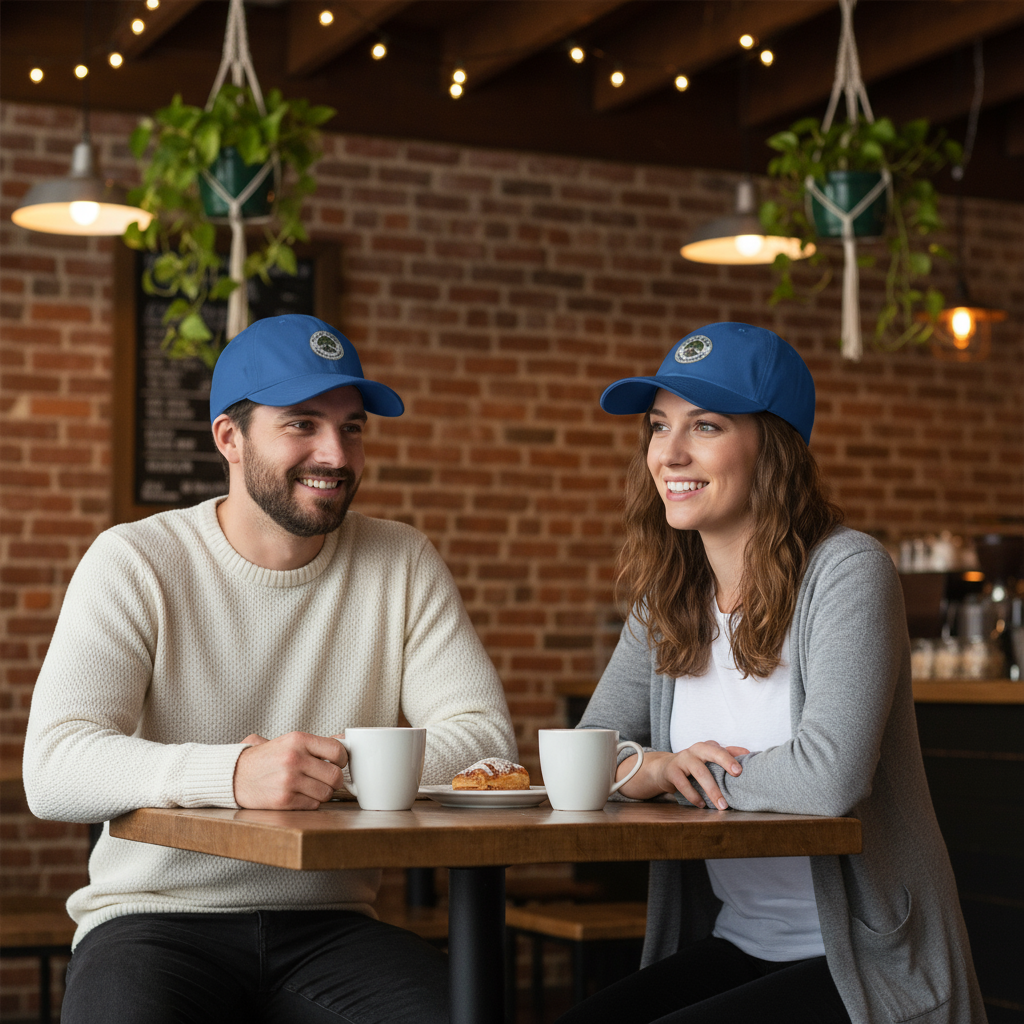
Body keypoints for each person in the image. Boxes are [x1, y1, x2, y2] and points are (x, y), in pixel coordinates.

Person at [23, 314, 517, 1024]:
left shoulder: (402, 560)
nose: (335, 453)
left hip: (331, 924)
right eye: (302, 424)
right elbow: (55, 767)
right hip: (152, 919)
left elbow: (485, 744)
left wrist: (323, 769)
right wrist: (232, 774)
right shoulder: (135, 559)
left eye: (351, 428)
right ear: (230, 437)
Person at [561, 322, 985, 1024]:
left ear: (774, 448)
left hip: (861, 962)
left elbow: (828, 778)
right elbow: (586, 751)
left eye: (705, 426)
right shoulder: (668, 597)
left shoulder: (847, 572)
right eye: (659, 426)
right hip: (740, 939)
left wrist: (690, 779)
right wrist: (659, 767)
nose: (669, 453)